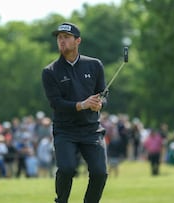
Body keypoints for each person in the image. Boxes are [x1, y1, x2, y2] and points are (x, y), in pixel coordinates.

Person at [41, 22, 108, 203]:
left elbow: (103, 95)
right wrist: (83, 104)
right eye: (59, 38)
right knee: (67, 169)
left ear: (78, 40)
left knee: (100, 172)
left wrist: (98, 104)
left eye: (66, 37)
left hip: (91, 129)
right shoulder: (50, 71)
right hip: (65, 130)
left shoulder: (95, 65)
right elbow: (56, 103)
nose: (62, 41)